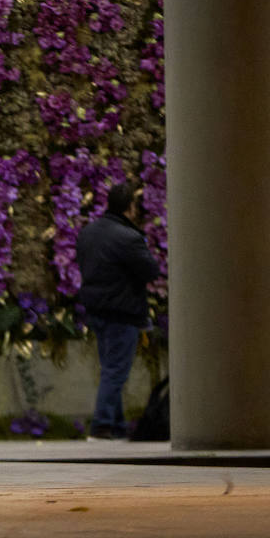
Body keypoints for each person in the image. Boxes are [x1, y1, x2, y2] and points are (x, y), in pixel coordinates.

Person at [76, 180, 160, 441]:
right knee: (116, 371)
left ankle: (117, 426)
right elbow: (151, 271)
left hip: (96, 310)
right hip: (122, 312)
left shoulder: (88, 232)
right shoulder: (129, 237)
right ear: (130, 208)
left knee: (110, 368)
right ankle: (102, 425)